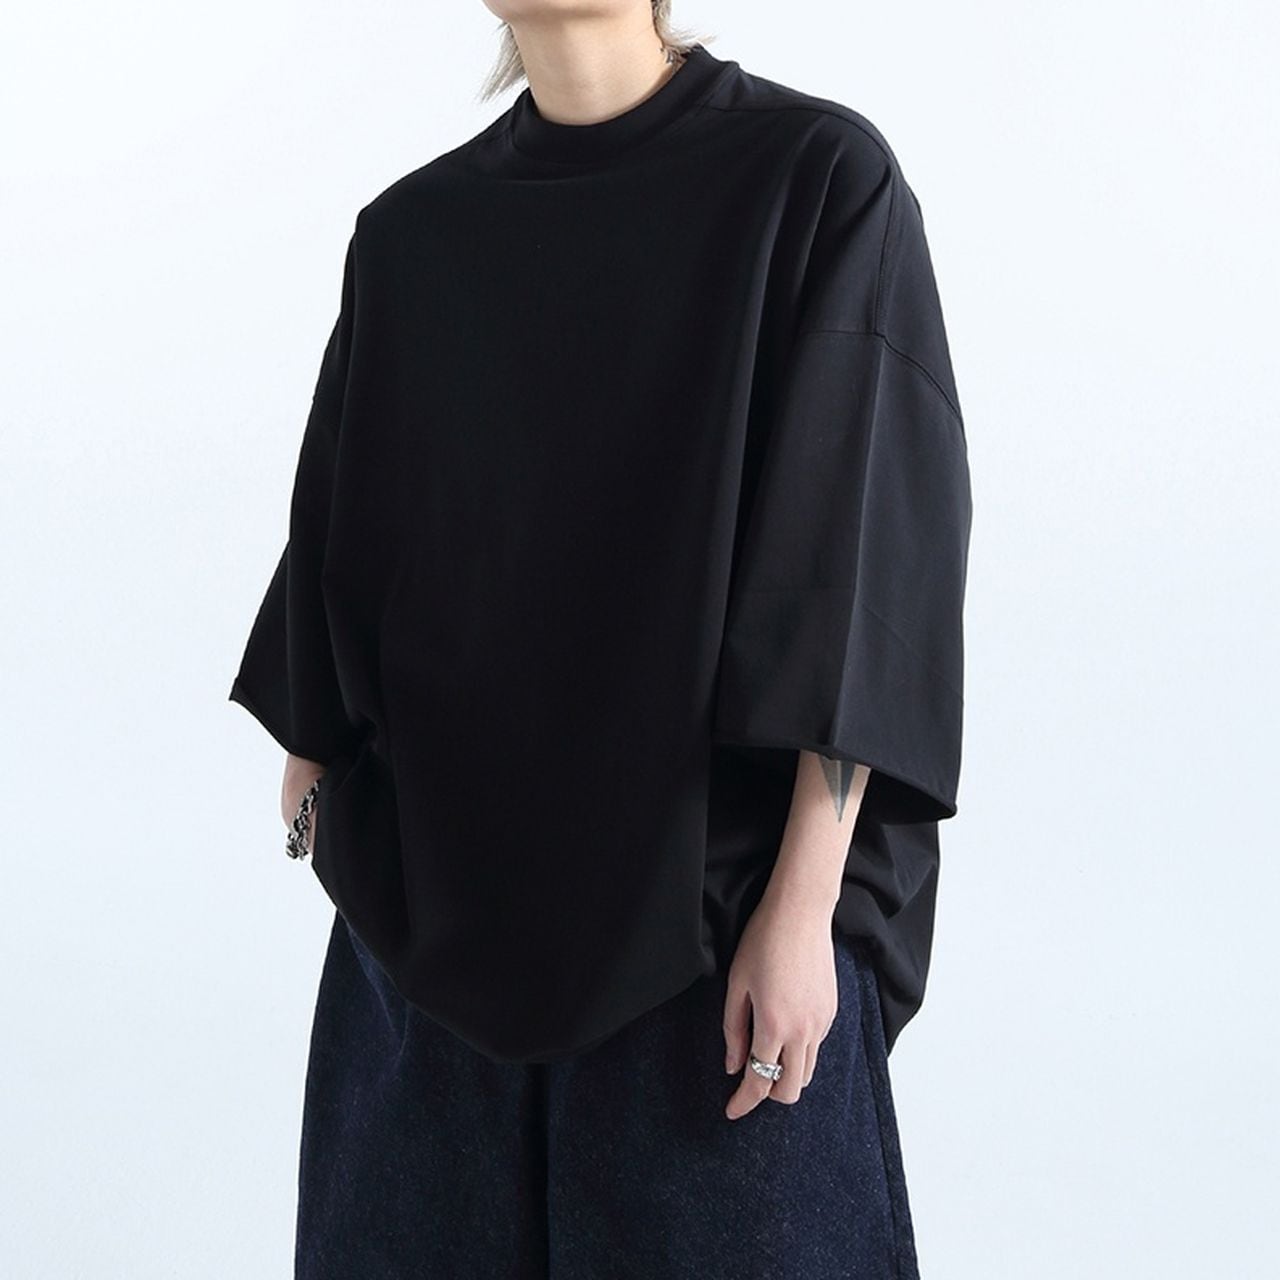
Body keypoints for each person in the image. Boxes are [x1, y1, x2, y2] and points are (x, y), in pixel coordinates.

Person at [228, 4, 972, 1276]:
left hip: (710, 962)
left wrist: (803, 908)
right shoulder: (413, 235)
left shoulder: (814, 180)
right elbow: (342, 557)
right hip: (428, 977)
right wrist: (322, 805)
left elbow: (850, 569)